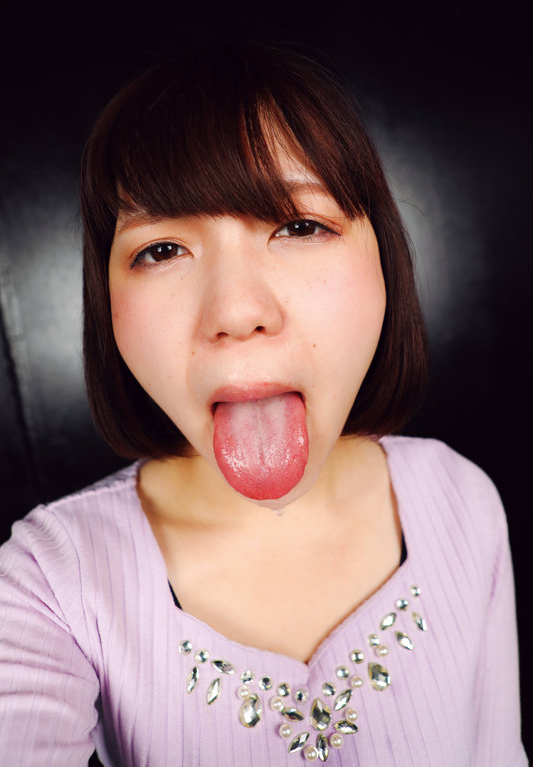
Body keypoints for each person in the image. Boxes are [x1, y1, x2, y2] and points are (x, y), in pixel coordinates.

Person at [0, 43, 526, 766]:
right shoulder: (48, 581)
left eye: (299, 226)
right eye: (161, 250)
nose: (236, 311)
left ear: (385, 262)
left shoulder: (461, 499)